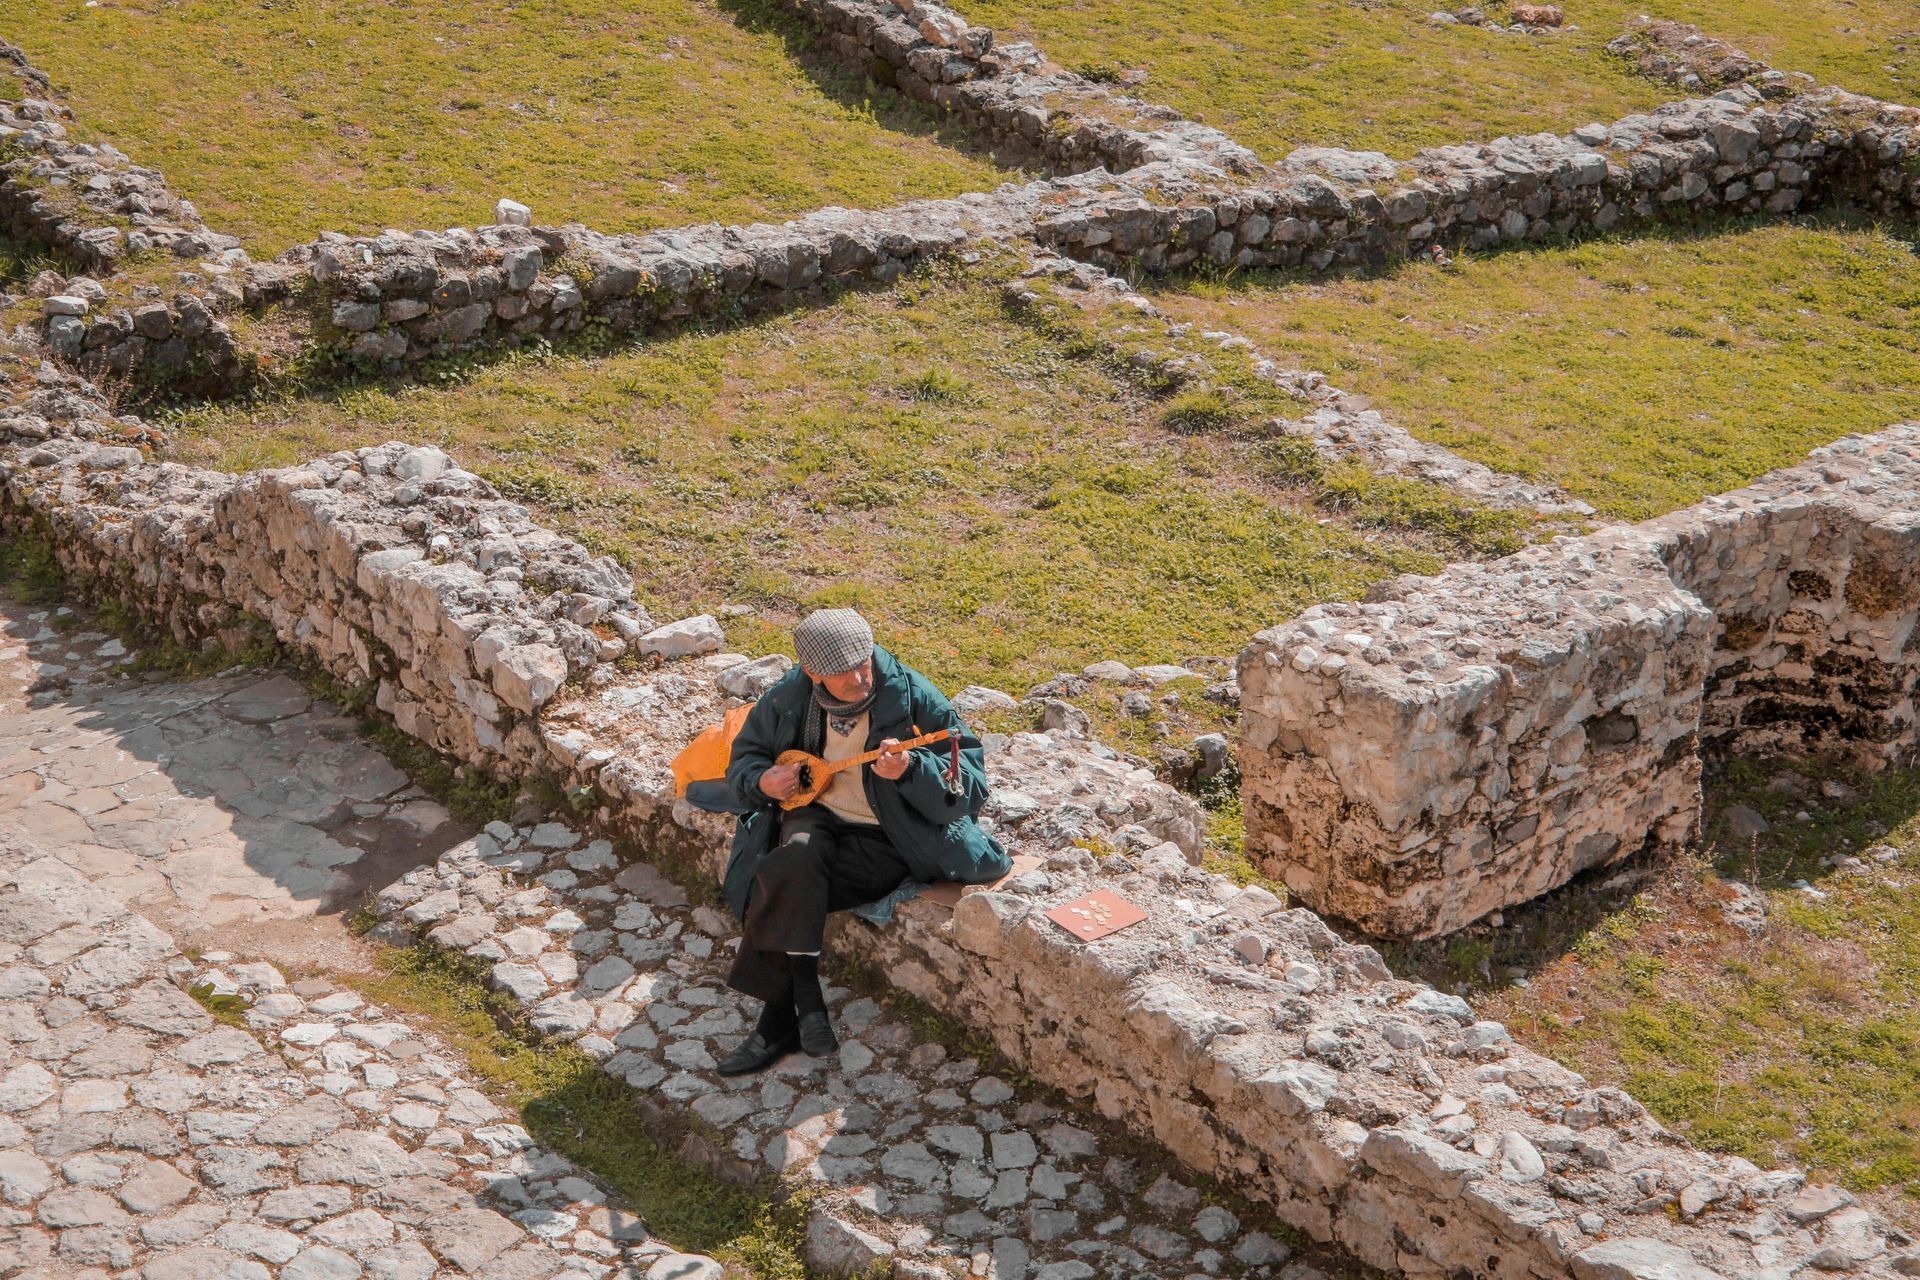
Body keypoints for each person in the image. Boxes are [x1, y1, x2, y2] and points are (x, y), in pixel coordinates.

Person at [715, 608, 1010, 1075]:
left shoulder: (914, 698)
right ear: (812, 673)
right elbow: (744, 760)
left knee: (780, 883)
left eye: (864, 662)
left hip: (887, 836)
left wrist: (913, 772)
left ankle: (779, 1022)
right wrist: (762, 781)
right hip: (816, 816)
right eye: (843, 671)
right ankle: (805, 999)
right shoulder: (791, 697)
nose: (859, 677)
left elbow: (968, 788)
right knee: (794, 857)